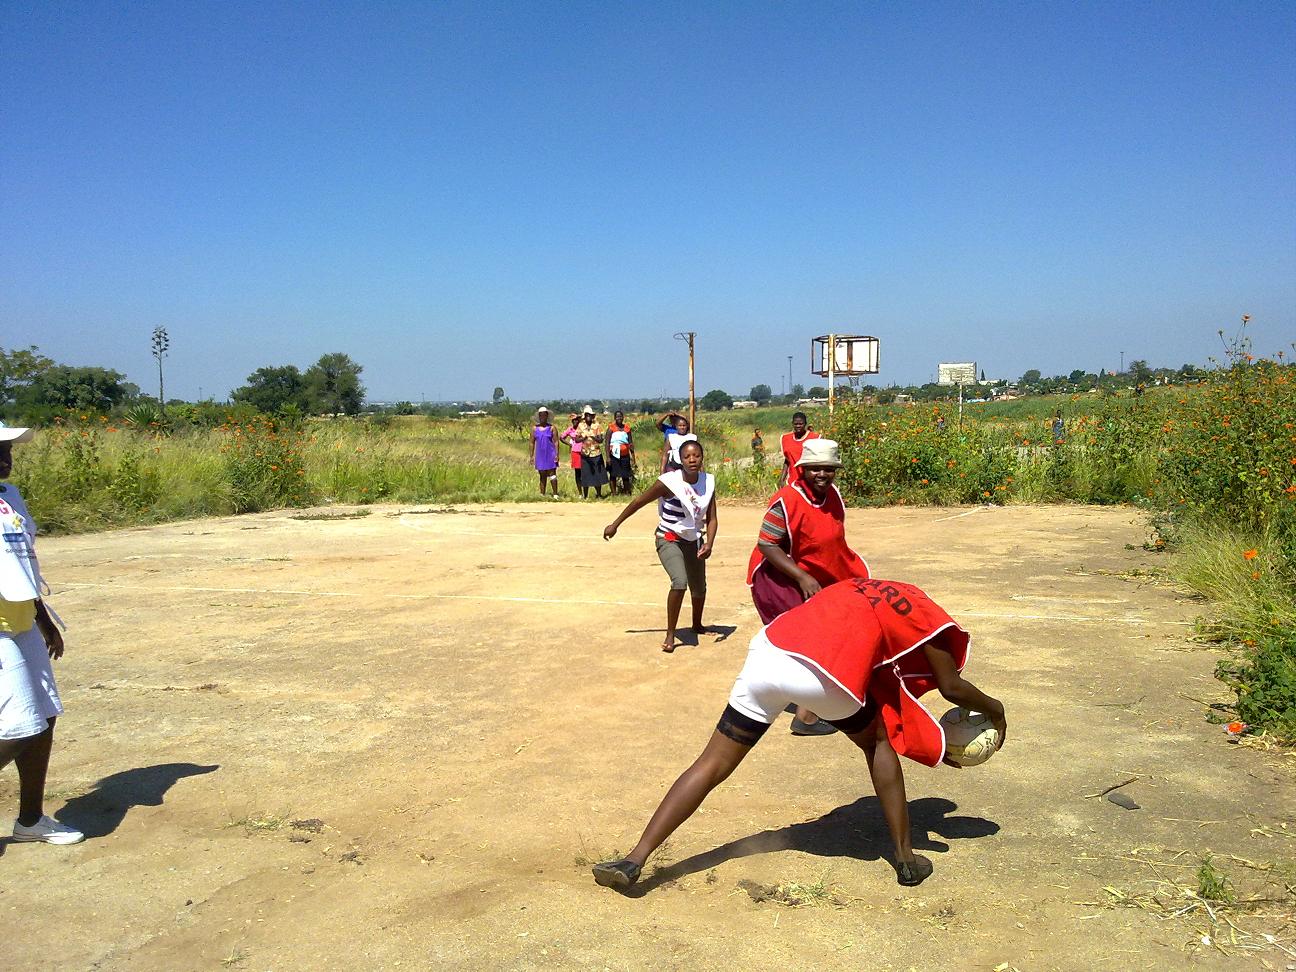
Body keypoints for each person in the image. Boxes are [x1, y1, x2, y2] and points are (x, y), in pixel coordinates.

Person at [591, 576, 1007, 892]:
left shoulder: (861, 587)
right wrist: (997, 711)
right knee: (878, 743)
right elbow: (950, 686)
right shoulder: (927, 614)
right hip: (821, 676)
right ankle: (905, 858)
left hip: (768, 655)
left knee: (712, 762)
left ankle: (633, 859)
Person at [748, 438, 870, 736]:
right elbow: (767, 544)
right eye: (815, 468)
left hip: (816, 575)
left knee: (839, 628)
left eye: (828, 469)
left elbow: (831, 544)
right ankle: (806, 716)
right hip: (777, 578)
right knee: (813, 640)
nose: (821, 474)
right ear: (803, 469)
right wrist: (802, 577)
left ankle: (807, 697)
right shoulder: (787, 500)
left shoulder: (833, 497)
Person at [0, 422, 83, 845]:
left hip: (22, 622)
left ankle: (30, 820)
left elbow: (21, 563)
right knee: (19, 728)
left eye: (7, 448)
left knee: (45, 716)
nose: (5, 457)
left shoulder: (9, 497)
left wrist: (43, 618)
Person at [603, 440, 716, 653]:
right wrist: (615, 524)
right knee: (680, 582)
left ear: (702, 458)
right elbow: (639, 501)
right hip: (669, 538)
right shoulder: (669, 483)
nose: (692, 460)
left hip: (694, 540)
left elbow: (712, 518)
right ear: (680, 460)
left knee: (699, 587)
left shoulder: (707, 482)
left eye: (696, 456)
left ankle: (697, 624)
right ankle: (670, 634)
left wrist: (709, 542)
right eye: (687, 457)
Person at [778, 411, 819, 487]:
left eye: (801, 424)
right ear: (792, 423)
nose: (798, 426)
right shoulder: (786, 439)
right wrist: (782, 479)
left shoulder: (814, 438)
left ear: (805, 424)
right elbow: (787, 460)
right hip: (792, 481)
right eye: (796, 424)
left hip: (810, 482)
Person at [576, 406, 609, 499]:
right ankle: (585, 495)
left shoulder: (597, 425)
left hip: (596, 453)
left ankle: (599, 494)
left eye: (590, 415)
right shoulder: (580, 426)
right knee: (585, 475)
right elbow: (576, 439)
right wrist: (583, 438)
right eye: (587, 415)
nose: (588, 417)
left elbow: (601, 439)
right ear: (584, 416)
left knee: (597, 474)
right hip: (585, 454)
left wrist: (593, 437)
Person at [528, 407, 560, 498]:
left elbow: (556, 442)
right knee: (542, 474)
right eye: (541, 415)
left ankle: (555, 494)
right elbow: (531, 442)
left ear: (547, 416)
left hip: (550, 453)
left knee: (552, 474)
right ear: (539, 416)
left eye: (544, 415)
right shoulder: (534, 429)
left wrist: (557, 454)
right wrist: (531, 456)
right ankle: (542, 494)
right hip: (540, 455)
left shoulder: (552, 428)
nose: (543, 417)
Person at [606, 410, 636, 495]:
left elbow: (630, 443)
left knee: (625, 475)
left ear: (623, 417)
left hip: (625, 455)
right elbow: (607, 443)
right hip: (614, 455)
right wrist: (608, 457)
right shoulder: (611, 428)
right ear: (615, 418)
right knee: (613, 474)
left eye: (620, 416)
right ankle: (614, 493)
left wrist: (633, 458)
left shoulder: (627, 428)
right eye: (617, 417)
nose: (619, 418)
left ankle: (627, 492)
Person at [560, 414, 585, 497]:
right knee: (578, 473)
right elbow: (562, 437)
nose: (575, 421)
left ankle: (585, 492)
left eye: (576, 420)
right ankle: (580, 493)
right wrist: (569, 444)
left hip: (584, 451)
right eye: (573, 420)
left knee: (585, 471)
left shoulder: (582, 428)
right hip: (575, 451)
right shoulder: (570, 429)